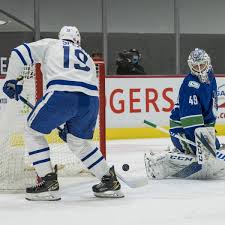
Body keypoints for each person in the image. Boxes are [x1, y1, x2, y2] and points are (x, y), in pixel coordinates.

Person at [2, 26, 124, 201]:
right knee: (78, 142)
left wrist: (11, 80)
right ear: (78, 40)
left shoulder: (51, 44)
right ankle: (109, 181)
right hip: (90, 101)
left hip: (62, 94)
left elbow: (18, 53)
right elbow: (78, 86)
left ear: (61, 37)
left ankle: (48, 184)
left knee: (32, 132)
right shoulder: (87, 57)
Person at [144, 48, 225, 179]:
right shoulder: (190, 86)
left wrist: (210, 136)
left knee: (213, 150)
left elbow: (211, 108)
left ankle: (188, 152)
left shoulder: (210, 77)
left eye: (202, 65)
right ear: (190, 66)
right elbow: (191, 120)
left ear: (208, 63)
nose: (199, 69)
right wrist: (202, 144)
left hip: (201, 130)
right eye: (195, 66)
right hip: (183, 131)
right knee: (207, 156)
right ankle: (161, 162)